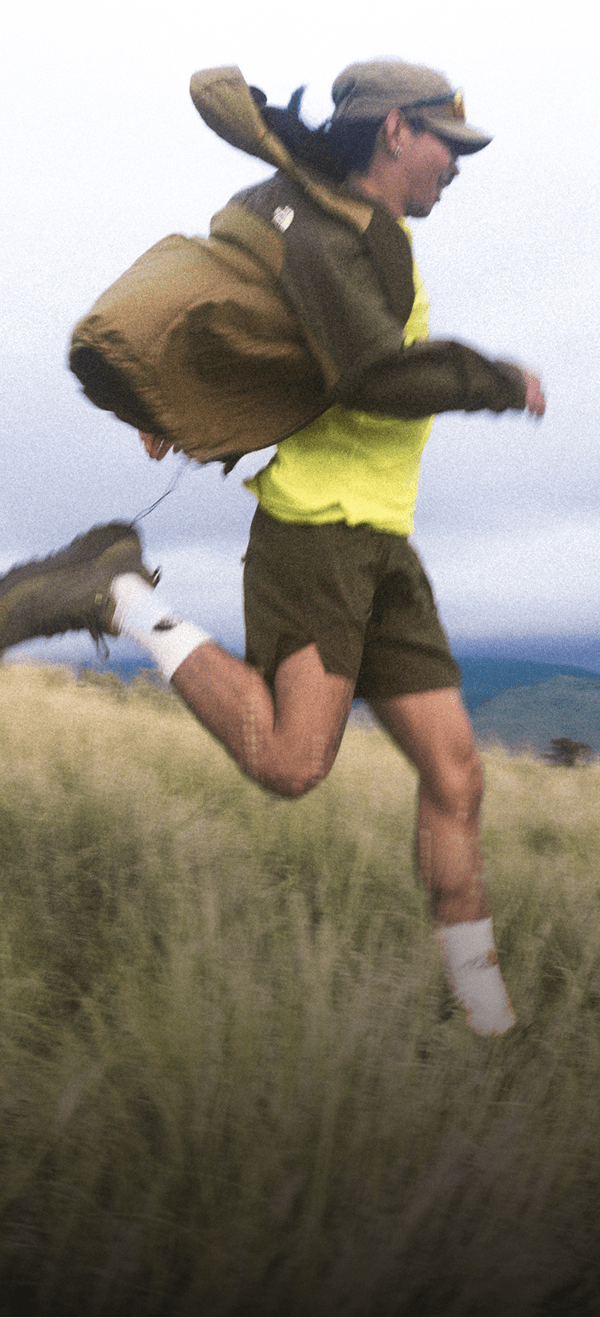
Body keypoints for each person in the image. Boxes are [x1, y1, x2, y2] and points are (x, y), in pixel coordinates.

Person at [0, 59, 545, 1034]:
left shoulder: (363, 235)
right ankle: (118, 595)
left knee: (458, 774)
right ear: (394, 132)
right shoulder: (321, 237)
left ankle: (484, 1022)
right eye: (446, 145)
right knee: (294, 762)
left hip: (383, 538)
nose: (456, 167)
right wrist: (493, 379)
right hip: (316, 535)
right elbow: (375, 374)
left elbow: (275, 347)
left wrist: (190, 402)